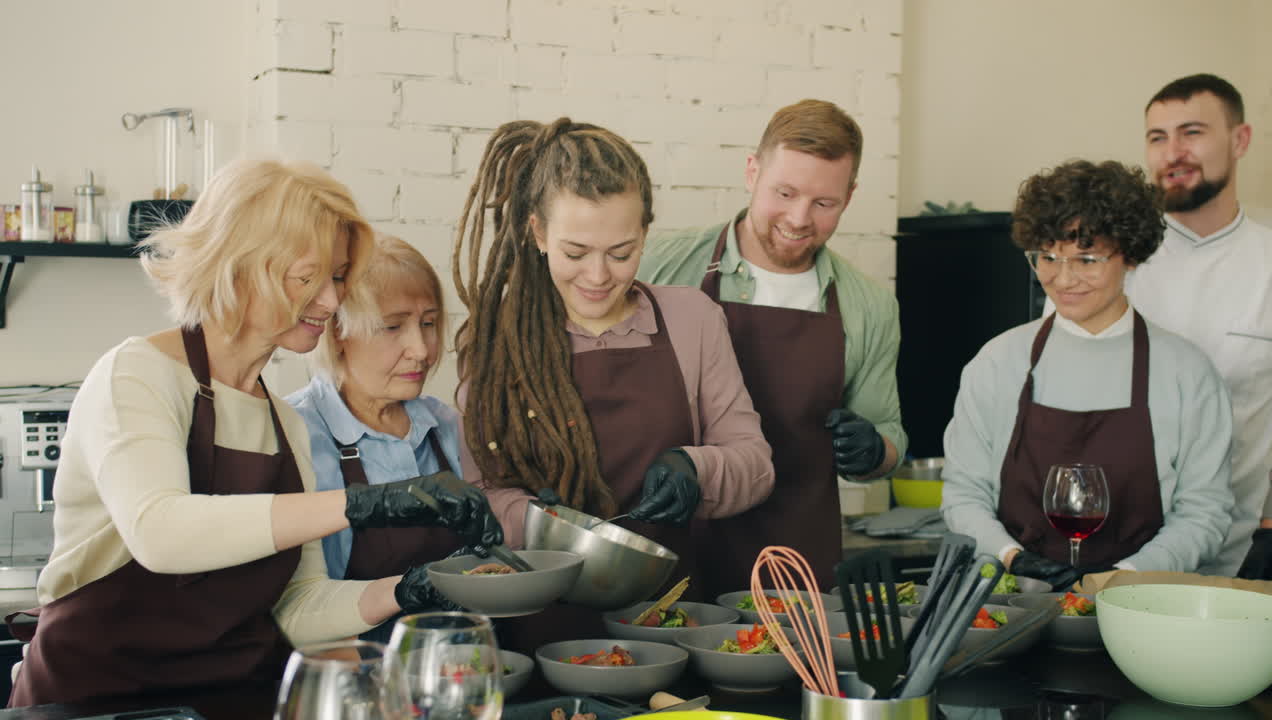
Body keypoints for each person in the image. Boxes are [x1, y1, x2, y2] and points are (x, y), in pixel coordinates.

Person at [6, 158, 502, 707]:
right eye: (308, 278)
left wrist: (408, 588)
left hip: (231, 703)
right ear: (240, 267)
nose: (333, 301)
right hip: (97, 703)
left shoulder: (283, 422)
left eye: (337, 277)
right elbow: (161, 532)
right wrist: (365, 504)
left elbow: (298, 606)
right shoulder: (137, 376)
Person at [453, 117, 774, 612]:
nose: (599, 276)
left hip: (669, 617)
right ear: (537, 232)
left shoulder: (693, 320)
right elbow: (481, 493)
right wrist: (536, 521)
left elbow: (755, 464)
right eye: (576, 252)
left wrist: (697, 468)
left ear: (644, 233)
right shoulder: (496, 342)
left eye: (621, 253)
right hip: (539, 615)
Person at [636, 99, 905, 593]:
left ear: (850, 195)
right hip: (662, 547)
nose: (800, 219)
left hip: (794, 566)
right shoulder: (659, 267)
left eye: (825, 203)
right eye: (785, 192)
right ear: (752, 171)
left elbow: (889, 438)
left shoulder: (869, 306)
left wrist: (874, 450)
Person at [942, 159, 1234, 591]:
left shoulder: (1187, 372)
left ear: (1131, 255)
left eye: (1087, 259)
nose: (1063, 279)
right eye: (1047, 258)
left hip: (1142, 607)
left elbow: (1204, 512)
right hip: (1013, 606)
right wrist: (1010, 558)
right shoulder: (998, 361)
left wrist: (1123, 578)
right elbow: (963, 495)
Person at [288, 233, 476, 641]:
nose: (422, 350)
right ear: (337, 329)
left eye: (428, 323)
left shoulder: (447, 428)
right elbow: (297, 607)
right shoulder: (297, 434)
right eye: (393, 327)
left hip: (461, 670)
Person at [1128, 74, 1272, 578]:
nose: (1173, 152)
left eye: (1192, 132)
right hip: (1116, 547)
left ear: (1240, 140)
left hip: (1240, 554)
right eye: (1158, 137)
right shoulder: (1107, 261)